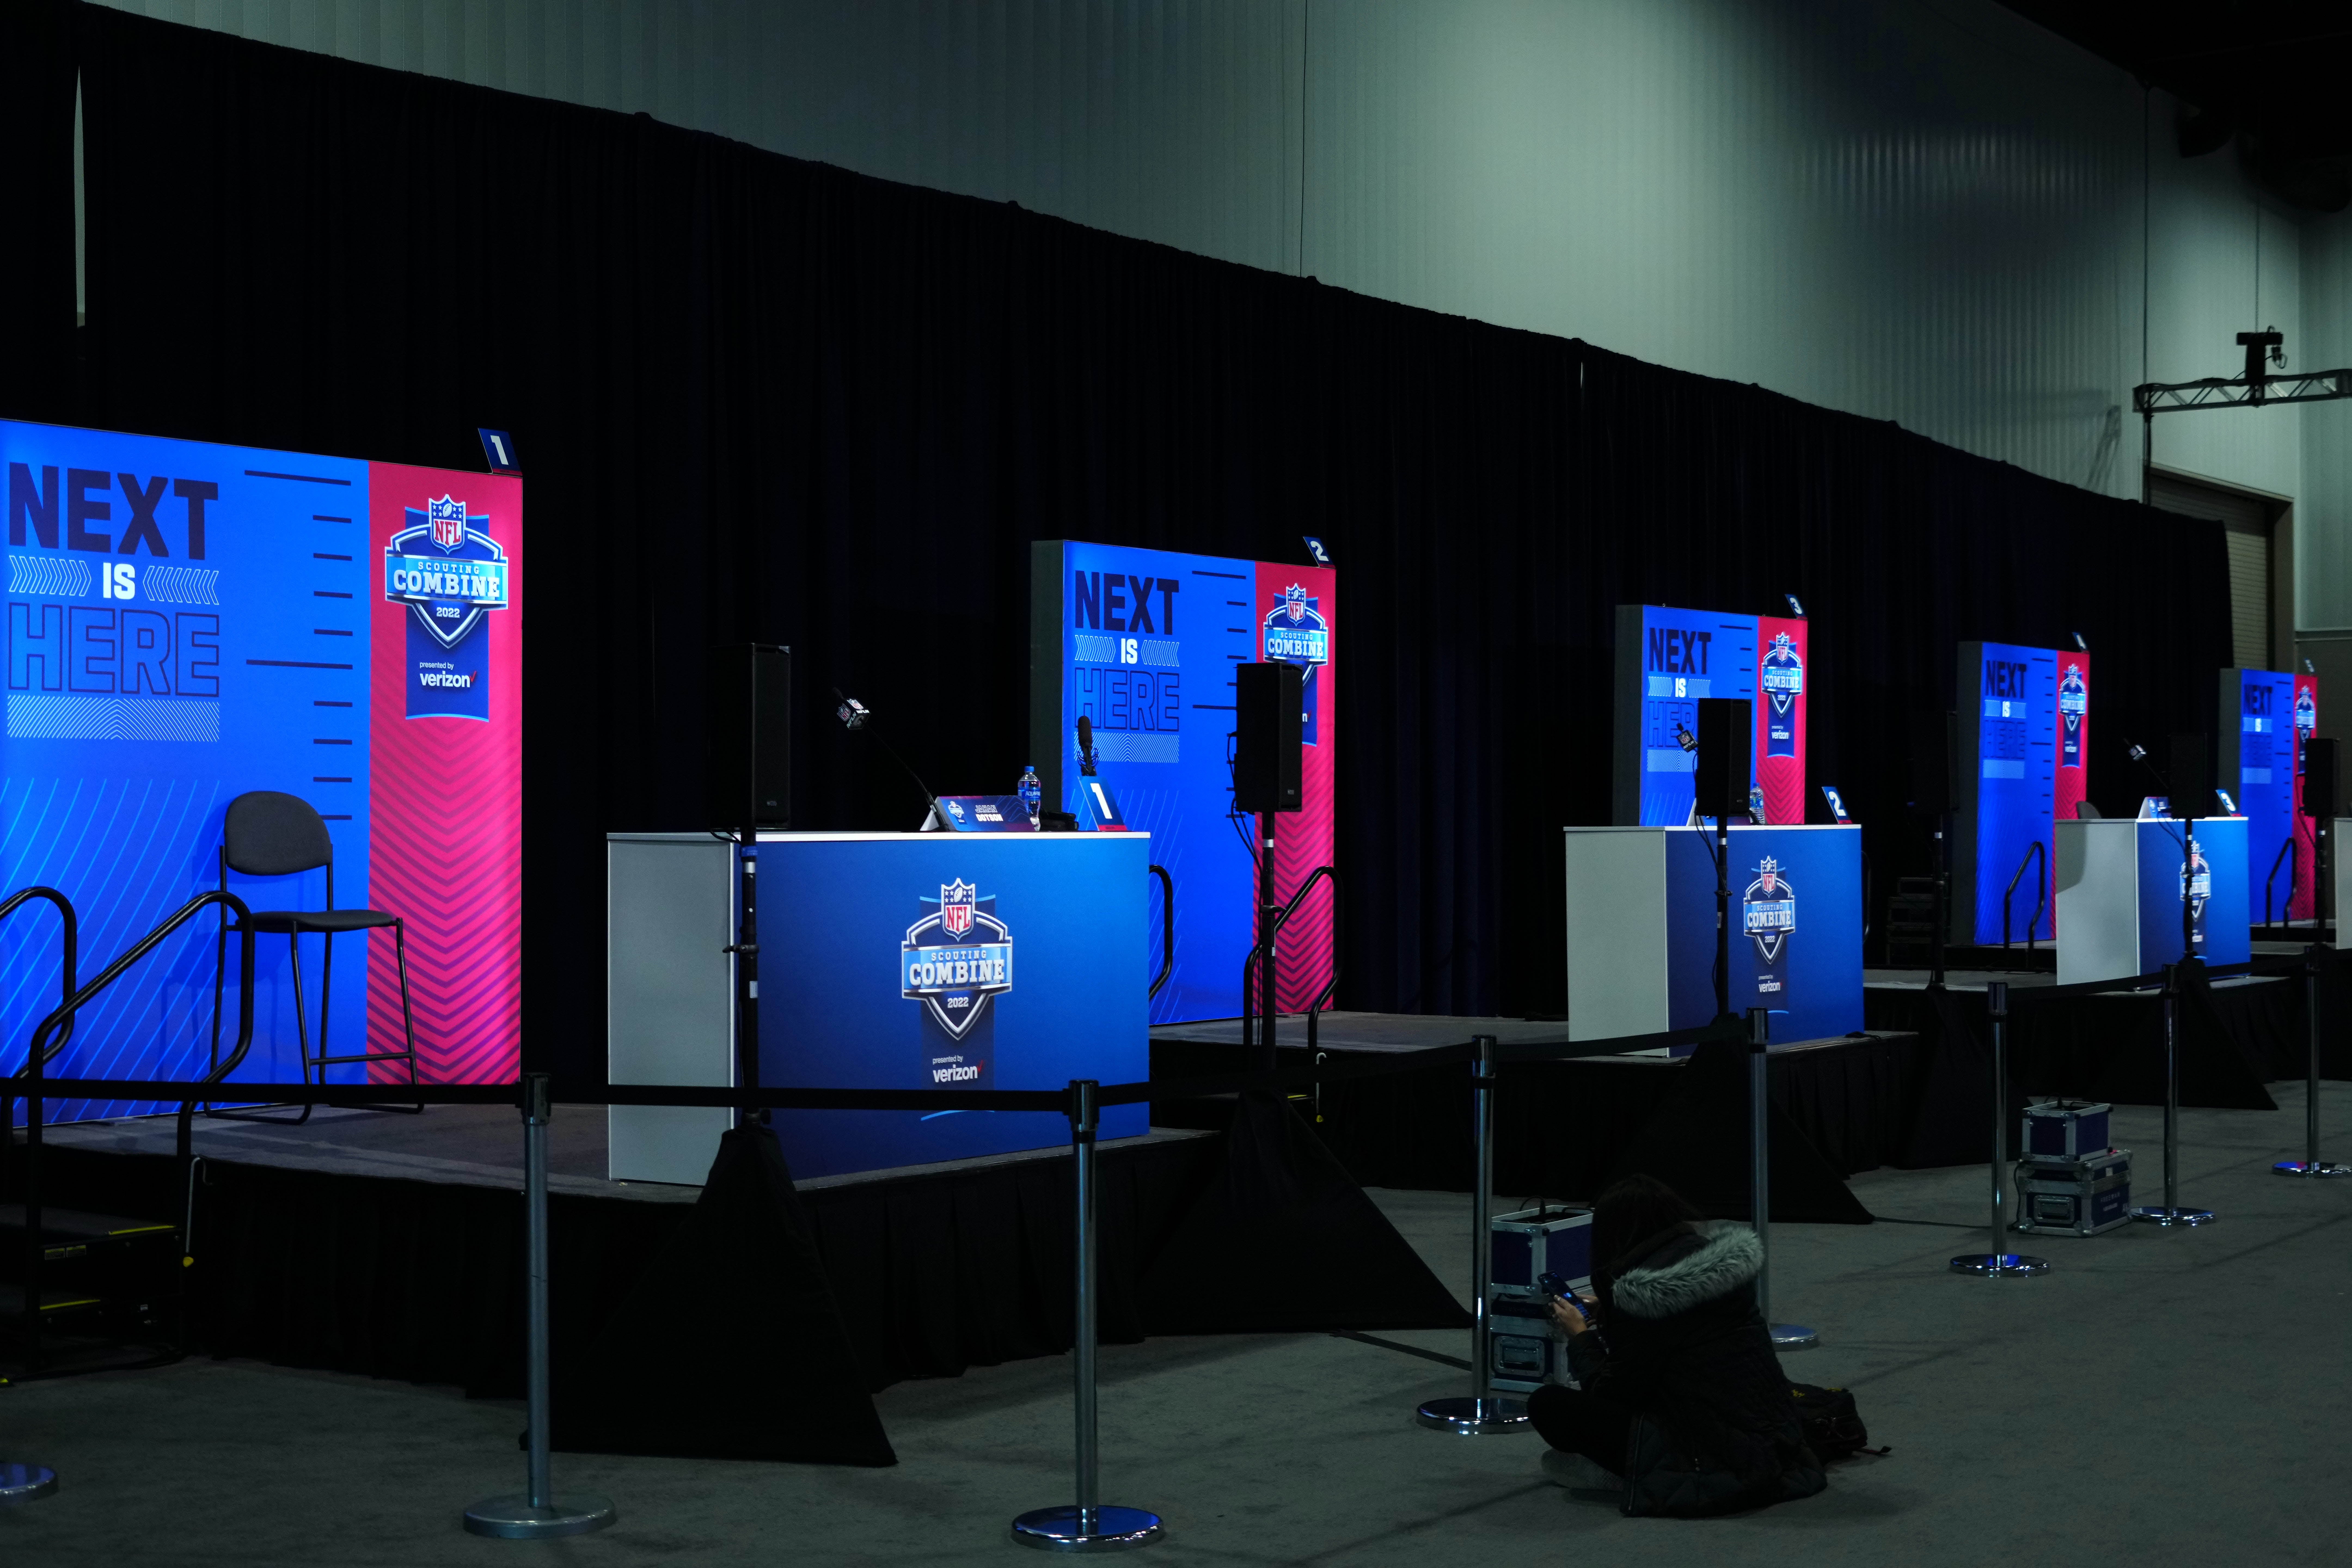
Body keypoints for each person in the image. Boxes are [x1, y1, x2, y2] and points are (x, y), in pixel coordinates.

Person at [1529, 1174, 1826, 1517]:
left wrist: (1580, 1336)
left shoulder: (1642, 1300)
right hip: (1775, 1439)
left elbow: (1612, 1393)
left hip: (1706, 1452)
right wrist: (1612, 1309)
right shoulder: (1717, 1267)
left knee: (1548, 1405)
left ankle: (1629, 1476)